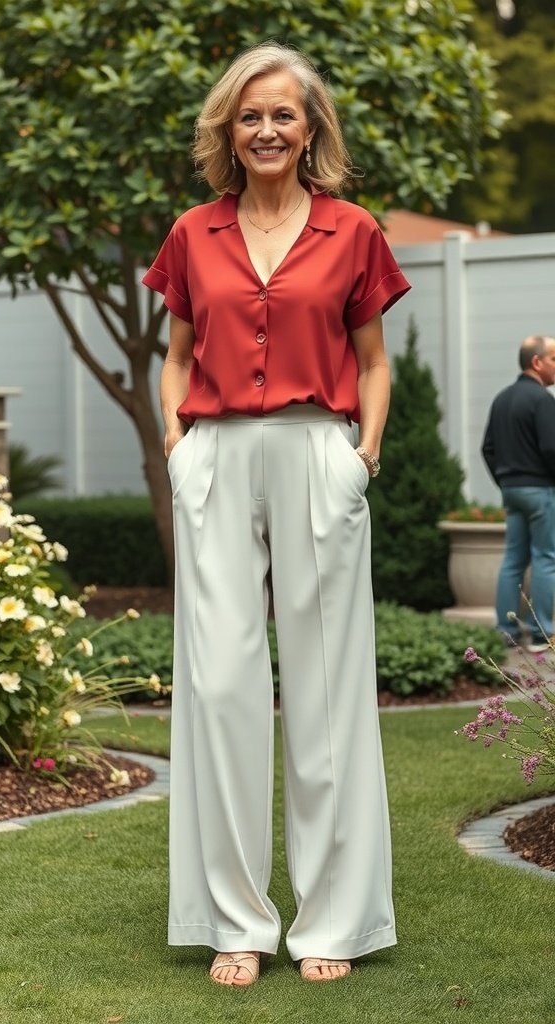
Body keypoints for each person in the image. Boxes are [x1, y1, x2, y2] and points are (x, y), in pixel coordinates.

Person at [142, 42, 411, 987]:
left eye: (283, 115)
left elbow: (373, 361)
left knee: (328, 695)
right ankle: (237, 921)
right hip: (216, 454)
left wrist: (361, 456)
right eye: (249, 115)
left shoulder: (354, 231)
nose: (265, 129)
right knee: (219, 689)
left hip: (315, 451)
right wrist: (179, 447)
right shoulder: (191, 232)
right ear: (229, 127)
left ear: (311, 130)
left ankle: (332, 921)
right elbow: (175, 354)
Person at [482, 335, 555, 652]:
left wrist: (506, 482)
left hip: (512, 491)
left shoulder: (502, 398)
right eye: (554, 358)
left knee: (513, 559)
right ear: (536, 362)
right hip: (540, 490)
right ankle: (543, 635)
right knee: (546, 558)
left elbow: (487, 449)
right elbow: (552, 448)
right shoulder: (542, 400)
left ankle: (506, 632)